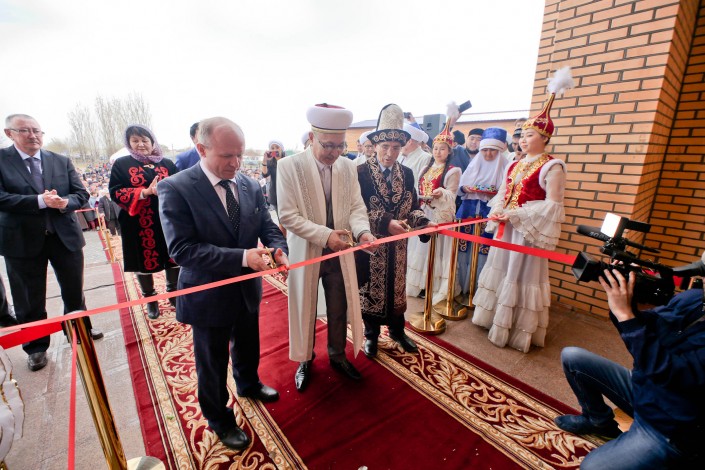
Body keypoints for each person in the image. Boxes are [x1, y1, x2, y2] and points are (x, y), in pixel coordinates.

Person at [159, 117, 288, 451]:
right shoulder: (176, 188)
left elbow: (266, 225)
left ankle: (248, 383)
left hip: (246, 288)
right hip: (208, 293)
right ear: (202, 149)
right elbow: (182, 250)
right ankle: (219, 418)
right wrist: (244, 258)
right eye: (227, 156)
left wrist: (279, 249)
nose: (235, 163)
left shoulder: (248, 184)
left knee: (247, 344)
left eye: (240, 155)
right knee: (212, 363)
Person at [554, 258, 705, 468]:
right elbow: (646, 328)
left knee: (591, 468)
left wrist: (626, 315)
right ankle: (598, 420)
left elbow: (668, 372)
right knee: (573, 357)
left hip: (668, 426)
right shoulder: (695, 298)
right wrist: (632, 300)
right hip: (645, 390)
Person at [277, 103, 376, 391]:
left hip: (340, 250)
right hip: (306, 250)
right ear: (312, 137)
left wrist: (363, 232)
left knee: (339, 304)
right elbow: (288, 216)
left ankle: (337, 355)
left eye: (339, 145)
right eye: (328, 145)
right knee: (304, 306)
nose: (334, 152)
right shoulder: (288, 166)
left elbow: (356, 206)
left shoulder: (347, 166)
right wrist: (325, 236)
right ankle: (304, 359)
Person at [472, 69, 570, 353]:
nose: (524, 140)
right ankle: (492, 318)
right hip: (507, 228)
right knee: (500, 268)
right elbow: (503, 192)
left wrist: (516, 215)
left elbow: (553, 204)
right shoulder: (514, 164)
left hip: (527, 231)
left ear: (544, 137)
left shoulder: (553, 166)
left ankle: (514, 328)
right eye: (522, 136)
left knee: (519, 273)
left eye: (529, 135)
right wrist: (499, 209)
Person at [0, 114, 102, 372]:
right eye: (25, 130)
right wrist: (39, 201)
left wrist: (66, 202)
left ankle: (79, 331)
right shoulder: (2, 160)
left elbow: (81, 193)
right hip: (22, 241)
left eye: (37, 130)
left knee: (73, 290)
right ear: (9, 133)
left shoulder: (59, 160)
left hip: (63, 236)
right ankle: (35, 346)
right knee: (28, 297)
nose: (33, 135)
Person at [357, 104, 432, 358]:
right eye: (385, 146)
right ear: (375, 145)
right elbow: (356, 212)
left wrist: (424, 223)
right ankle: (371, 335)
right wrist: (385, 222)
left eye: (396, 148)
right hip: (371, 244)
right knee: (371, 290)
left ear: (402, 147)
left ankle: (398, 332)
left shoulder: (407, 173)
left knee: (397, 289)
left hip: (398, 246)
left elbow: (413, 207)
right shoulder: (360, 173)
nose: (390, 153)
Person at [109, 125, 180, 319]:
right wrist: (144, 192)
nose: (140, 144)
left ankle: (173, 293)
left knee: (173, 256)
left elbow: (180, 186)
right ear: (129, 143)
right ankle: (150, 299)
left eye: (144, 140)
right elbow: (115, 192)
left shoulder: (167, 163)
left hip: (167, 220)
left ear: (152, 142)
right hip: (138, 222)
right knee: (142, 260)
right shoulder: (122, 164)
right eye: (135, 141)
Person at [406, 123, 461, 304]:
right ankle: (419, 284)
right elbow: (417, 188)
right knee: (419, 248)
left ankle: (433, 284)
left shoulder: (453, 171)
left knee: (435, 250)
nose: (438, 152)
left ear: (449, 151)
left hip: (438, 214)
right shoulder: (425, 167)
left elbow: (452, 194)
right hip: (423, 211)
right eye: (436, 148)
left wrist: (442, 193)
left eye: (442, 149)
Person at [455, 128, 508, 300]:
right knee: (464, 247)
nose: (488, 154)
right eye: (485, 150)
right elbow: (460, 188)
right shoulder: (475, 163)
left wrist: (494, 194)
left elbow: (506, 192)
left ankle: (479, 290)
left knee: (484, 249)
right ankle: (462, 286)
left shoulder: (506, 165)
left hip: (489, 211)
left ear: (499, 149)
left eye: (492, 150)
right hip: (469, 209)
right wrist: (465, 188)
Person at [398, 123, 432, 193]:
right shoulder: (400, 156)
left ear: (409, 141)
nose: (399, 144)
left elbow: (423, 186)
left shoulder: (425, 158)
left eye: (401, 140)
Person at [260, 140, 285, 215]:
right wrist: (265, 161)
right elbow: (265, 175)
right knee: (281, 217)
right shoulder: (270, 161)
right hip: (275, 193)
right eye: (272, 148)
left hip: (287, 192)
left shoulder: (287, 159)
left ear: (282, 148)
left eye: (277, 147)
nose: (275, 150)